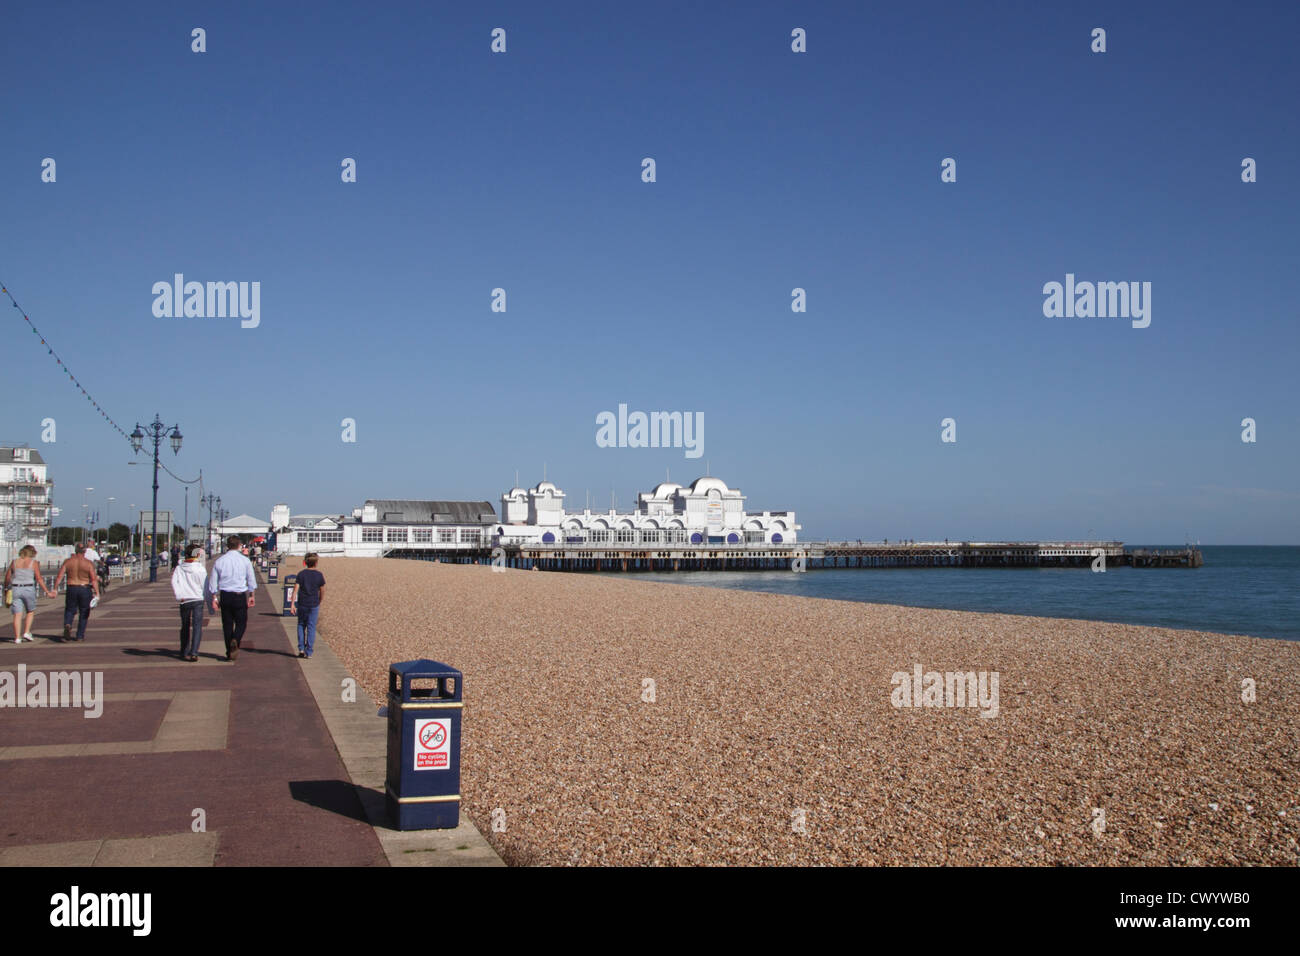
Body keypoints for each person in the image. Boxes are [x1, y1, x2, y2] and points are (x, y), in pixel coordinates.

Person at [208, 535, 256, 661]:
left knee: (227, 624)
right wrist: (251, 595)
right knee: (241, 623)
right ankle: (236, 639)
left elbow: (213, 582)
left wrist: (214, 597)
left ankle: (229, 652)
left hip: (226, 595)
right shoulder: (245, 561)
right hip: (240, 595)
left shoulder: (220, 561)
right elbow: (251, 579)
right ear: (239, 545)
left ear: (227, 546)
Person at [5, 545, 56, 643]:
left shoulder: (14, 562)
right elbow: (39, 578)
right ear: (32, 553)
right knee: (30, 611)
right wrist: (47, 592)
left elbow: (7, 577)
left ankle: (17, 637)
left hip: (16, 588)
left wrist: (6, 589)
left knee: (17, 614)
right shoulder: (34, 563)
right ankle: (27, 632)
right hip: (28, 588)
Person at [171, 543, 209, 662]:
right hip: (198, 599)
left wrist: (179, 595)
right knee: (197, 626)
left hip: (185, 599)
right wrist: (212, 599)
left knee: (185, 625)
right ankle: (194, 652)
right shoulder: (200, 568)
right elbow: (205, 585)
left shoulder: (179, 568)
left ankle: (184, 650)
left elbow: (174, 582)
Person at [54, 544, 100, 642]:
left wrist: (55, 589)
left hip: (71, 587)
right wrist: (97, 593)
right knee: (84, 612)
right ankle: (80, 636)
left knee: (70, 610)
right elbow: (93, 579)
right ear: (85, 551)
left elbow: (59, 577)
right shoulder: (88, 563)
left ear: (75, 551)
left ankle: (68, 623)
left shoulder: (68, 562)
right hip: (84, 588)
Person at [289, 552, 326, 659]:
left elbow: (295, 589)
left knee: (301, 625)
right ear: (316, 563)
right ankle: (309, 651)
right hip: (313, 603)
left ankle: (301, 648)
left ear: (305, 562)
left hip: (302, 603)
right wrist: (320, 600)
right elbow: (322, 590)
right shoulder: (319, 575)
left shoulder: (301, 574)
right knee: (311, 627)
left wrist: (292, 604)